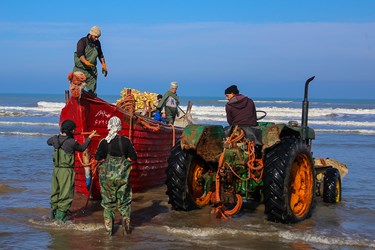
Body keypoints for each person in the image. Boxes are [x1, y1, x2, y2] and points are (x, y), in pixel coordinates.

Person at [47, 120, 96, 223]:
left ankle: (53, 216)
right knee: (66, 194)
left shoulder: (54, 139)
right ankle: (61, 219)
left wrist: (57, 137)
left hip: (56, 170)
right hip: (66, 171)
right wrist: (90, 138)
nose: (74, 131)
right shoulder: (71, 142)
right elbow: (82, 148)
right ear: (70, 130)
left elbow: (48, 141)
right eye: (73, 129)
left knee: (55, 192)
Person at [95, 116, 137, 236]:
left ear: (109, 125)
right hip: (122, 178)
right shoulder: (126, 141)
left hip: (106, 179)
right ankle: (126, 228)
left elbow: (98, 158)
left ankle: (109, 232)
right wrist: (124, 163)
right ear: (119, 126)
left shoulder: (104, 142)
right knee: (124, 202)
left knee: (108, 204)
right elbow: (133, 157)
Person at [73, 25, 108, 96]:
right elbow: (80, 54)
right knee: (76, 91)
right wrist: (86, 62)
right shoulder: (82, 41)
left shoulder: (97, 43)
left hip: (91, 71)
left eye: (98, 37)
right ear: (91, 34)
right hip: (80, 70)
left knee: (92, 94)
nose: (97, 39)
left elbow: (100, 55)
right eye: (95, 37)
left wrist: (104, 65)